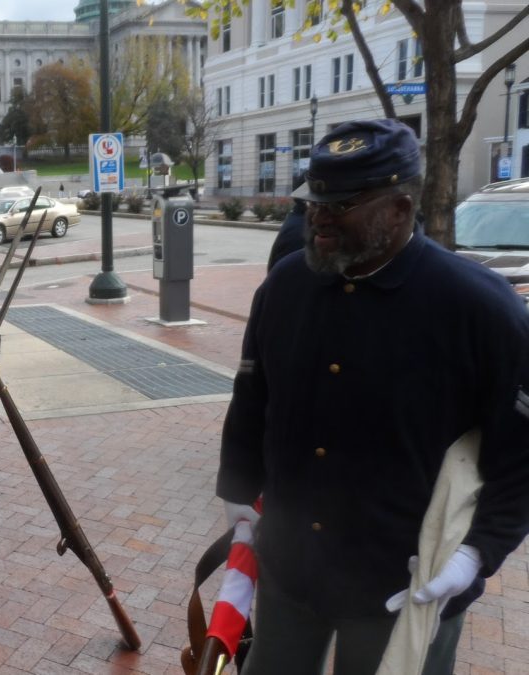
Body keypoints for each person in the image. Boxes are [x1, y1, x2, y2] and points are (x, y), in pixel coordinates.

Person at [217, 118, 529, 674]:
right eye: (315, 201)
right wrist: (238, 489)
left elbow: (522, 453)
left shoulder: (478, 309)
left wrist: (475, 554)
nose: (318, 217)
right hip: (292, 571)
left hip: (407, 583)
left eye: (340, 206)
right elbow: (252, 393)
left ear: (400, 209)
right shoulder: (286, 287)